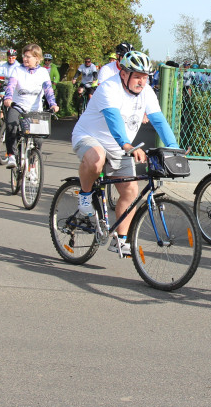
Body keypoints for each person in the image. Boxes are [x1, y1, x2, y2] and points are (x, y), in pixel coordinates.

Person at [71, 50, 179, 258]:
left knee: (130, 191)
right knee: (96, 159)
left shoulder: (147, 92)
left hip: (120, 146)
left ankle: (120, 240)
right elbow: (114, 120)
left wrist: (173, 147)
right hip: (90, 136)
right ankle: (85, 196)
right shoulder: (109, 88)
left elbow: (158, 120)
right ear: (123, 74)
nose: (142, 81)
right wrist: (128, 146)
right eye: (137, 76)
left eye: (145, 77)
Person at [2, 44, 59, 168]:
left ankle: (32, 164)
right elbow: (11, 85)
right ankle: (11, 155)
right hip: (18, 106)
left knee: (38, 139)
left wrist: (53, 104)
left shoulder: (43, 72)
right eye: (24, 56)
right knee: (11, 126)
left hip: (35, 110)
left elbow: (48, 90)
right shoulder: (17, 70)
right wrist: (8, 98)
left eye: (28, 57)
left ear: (37, 58)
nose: (25, 59)